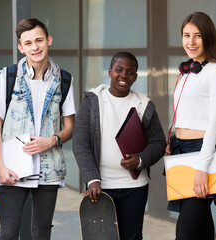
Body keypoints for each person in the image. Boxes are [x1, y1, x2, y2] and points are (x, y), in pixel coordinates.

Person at [0, 18, 76, 240]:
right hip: (13, 168)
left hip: (49, 170)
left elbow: (69, 127)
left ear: (49, 41)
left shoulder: (64, 80)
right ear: (21, 48)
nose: (35, 47)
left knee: (42, 232)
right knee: (8, 233)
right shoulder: (8, 77)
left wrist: (51, 140)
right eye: (28, 43)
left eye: (39, 40)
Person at [73, 51, 166, 240]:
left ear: (136, 77)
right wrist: (92, 179)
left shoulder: (143, 105)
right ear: (109, 72)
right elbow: (80, 143)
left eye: (130, 72)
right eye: (119, 70)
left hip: (135, 187)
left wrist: (141, 160)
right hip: (101, 188)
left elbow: (158, 142)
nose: (124, 75)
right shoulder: (92, 101)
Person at [166, 12, 216, 240]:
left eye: (197, 36)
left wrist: (202, 168)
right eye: (186, 35)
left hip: (201, 154)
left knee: (184, 231)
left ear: (208, 38)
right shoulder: (186, 71)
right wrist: (172, 140)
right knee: (202, 229)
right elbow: (185, 112)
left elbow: (215, 125)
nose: (191, 42)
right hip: (181, 152)